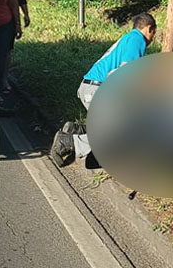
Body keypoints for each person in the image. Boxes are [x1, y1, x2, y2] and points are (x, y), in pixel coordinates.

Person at [50, 13, 157, 167]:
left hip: (92, 86)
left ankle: (77, 130)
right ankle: (69, 142)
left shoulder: (128, 38)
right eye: (153, 33)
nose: (152, 39)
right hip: (97, 88)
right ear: (148, 28)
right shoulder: (137, 39)